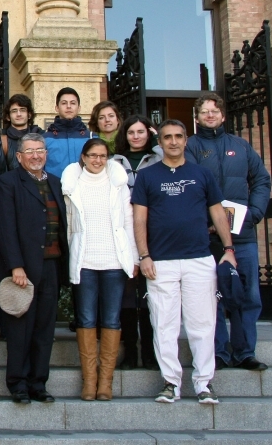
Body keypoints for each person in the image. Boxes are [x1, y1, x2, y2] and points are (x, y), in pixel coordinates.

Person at [132, 119, 237, 405]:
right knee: (164, 325)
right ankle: (170, 384)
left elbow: (218, 212)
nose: (174, 141)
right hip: (161, 262)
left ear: (186, 139)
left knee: (202, 325)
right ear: (161, 142)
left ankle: (204, 384)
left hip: (199, 259)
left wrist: (228, 248)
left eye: (179, 136)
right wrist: (144, 256)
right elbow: (139, 218)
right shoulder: (147, 176)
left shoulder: (202, 174)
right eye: (168, 137)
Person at [185, 92, 271, 371]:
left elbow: (261, 180)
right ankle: (219, 353)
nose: (210, 115)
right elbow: (189, 187)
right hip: (208, 237)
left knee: (248, 296)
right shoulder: (191, 147)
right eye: (204, 111)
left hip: (242, 237)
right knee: (213, 297)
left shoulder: (241, 146)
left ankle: (245, 352)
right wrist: (202, 220)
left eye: (214, 110)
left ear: (222, 114)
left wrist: (255, 213)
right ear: (197, 117)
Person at [0, 133, 68, 404]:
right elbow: (6, 227)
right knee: (20, 329)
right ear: (20, 156)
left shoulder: (56, 183)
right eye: (30, 151)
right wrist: (16, 265)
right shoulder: (8, 182)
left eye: (40, 150)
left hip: (51, 265)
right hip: (22, 269)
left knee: (44, 329)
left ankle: (39, 383)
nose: (36, 156)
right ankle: (18, 384)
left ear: (46, 154)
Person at [61, 139, 139, 401]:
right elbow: (70, 225)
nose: (97, 160)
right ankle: (89, 380)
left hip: (114, 262)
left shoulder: (117, 184)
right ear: (83, 157)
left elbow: (128, 221)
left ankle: (105, 381)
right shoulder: (72, 184)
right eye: (92, 155)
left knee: (112, 319)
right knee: (85, 320)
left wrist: (134, 258)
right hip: (85, 261)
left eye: (102, 156)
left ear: (108, 158)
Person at [112, 115, 162, 370]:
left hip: (154, 230)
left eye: (141, 131)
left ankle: (151, 354)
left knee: (151, 298)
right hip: (123, 232)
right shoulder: (115, 162)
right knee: (128, 299)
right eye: (131, 132)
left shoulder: (159, 158)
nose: (136, 136)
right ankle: (130, 352)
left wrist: (158, 141)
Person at [44, 87, 93, 178]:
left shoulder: (91, 137)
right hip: (54, 190)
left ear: (79, 108)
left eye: (73, 103)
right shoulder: (45, 139)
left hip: (85, 190)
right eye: (64, 103)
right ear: (57, 108)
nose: (69, 106)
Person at [1, 94, 43, 170]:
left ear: (29, 115)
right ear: (8, 117)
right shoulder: (0, 139)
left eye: (22, 110)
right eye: (14, 111)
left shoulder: (41, 136)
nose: (19, 114)